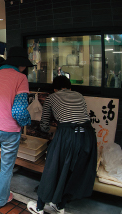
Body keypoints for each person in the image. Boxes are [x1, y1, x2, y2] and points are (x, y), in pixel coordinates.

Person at [27, 76, 97, 214]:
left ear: (54, 89)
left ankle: (39, 207)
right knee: (74, 171)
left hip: (68, 135)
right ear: (70, 87)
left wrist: (50, 130)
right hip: (88, 136)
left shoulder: (51, 98)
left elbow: (44, 125)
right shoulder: (79, 95)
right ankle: (59, 205)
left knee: (53, 167)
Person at [0, 46, 32, 207]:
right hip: (10, 131)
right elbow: (18, 110)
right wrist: (27, 122)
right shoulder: (21, 78)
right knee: (7, 167)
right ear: (21, 64)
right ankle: (1, 200)